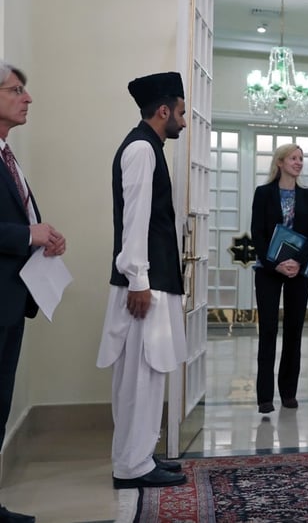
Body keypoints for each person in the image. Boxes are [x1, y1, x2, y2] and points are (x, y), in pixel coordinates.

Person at [96, 72, 188, 489]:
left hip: (152, 279)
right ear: (164, 110)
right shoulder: (140, 149)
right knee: (138, 374)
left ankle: (138, 457)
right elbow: (135, 218)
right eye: (181, 113)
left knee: (150, 373)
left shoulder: (150, 147)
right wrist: (137, 278)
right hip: (143, 282)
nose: (184, 122)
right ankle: (131, 466)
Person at [0, 61, 66, 523]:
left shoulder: (7, 154)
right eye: (16, 90)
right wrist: (27, 236)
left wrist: (45, 234)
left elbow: (21, 215)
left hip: (12, 298)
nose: (27, 98)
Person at [251, 143, 308, 414]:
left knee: (294, 331)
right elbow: (257, 232)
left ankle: (289, 393)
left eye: (301, 158)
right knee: (268, 330)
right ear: (279, 162)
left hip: (299, 271)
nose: (299, 162)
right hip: (269, 270)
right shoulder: (263, 193)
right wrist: (276, 264)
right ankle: (264, 397)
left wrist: (297, 261)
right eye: (293, 158)